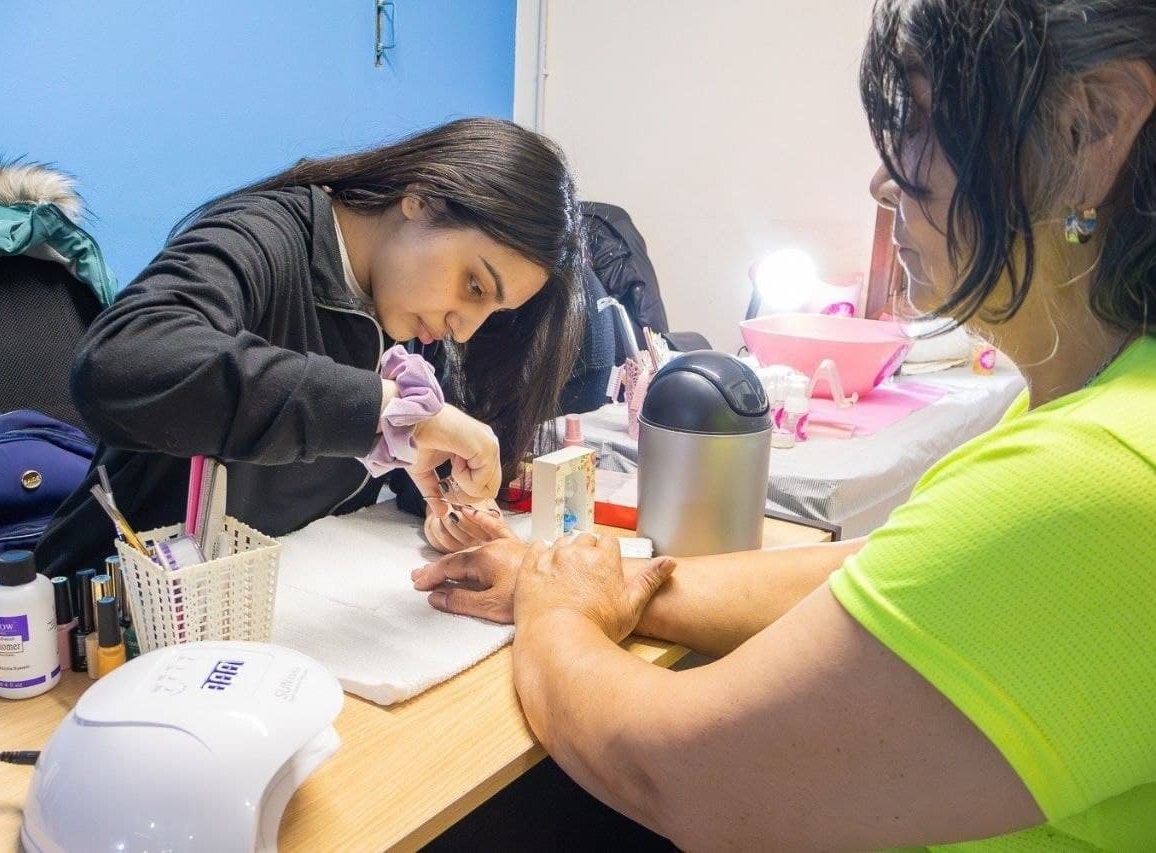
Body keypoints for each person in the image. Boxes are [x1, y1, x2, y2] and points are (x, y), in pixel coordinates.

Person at [410, 1, 1156, 848]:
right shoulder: (1108, 414)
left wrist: (558, 614)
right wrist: (603, 581)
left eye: (917, 128)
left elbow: (681, 772)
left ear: (1090, 126)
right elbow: (889, 571)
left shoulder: (1101, 481)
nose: (884, 180)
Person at [37, 118, 583, 576]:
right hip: (110, 616)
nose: (464, 330)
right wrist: (380, 409)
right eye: (474, 286)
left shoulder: (411, 310)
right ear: (424, 198)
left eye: (492, 312)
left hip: (270, 605)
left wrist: (446, 501)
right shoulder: (263, 236)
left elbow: (370, 458)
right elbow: (121, 362)